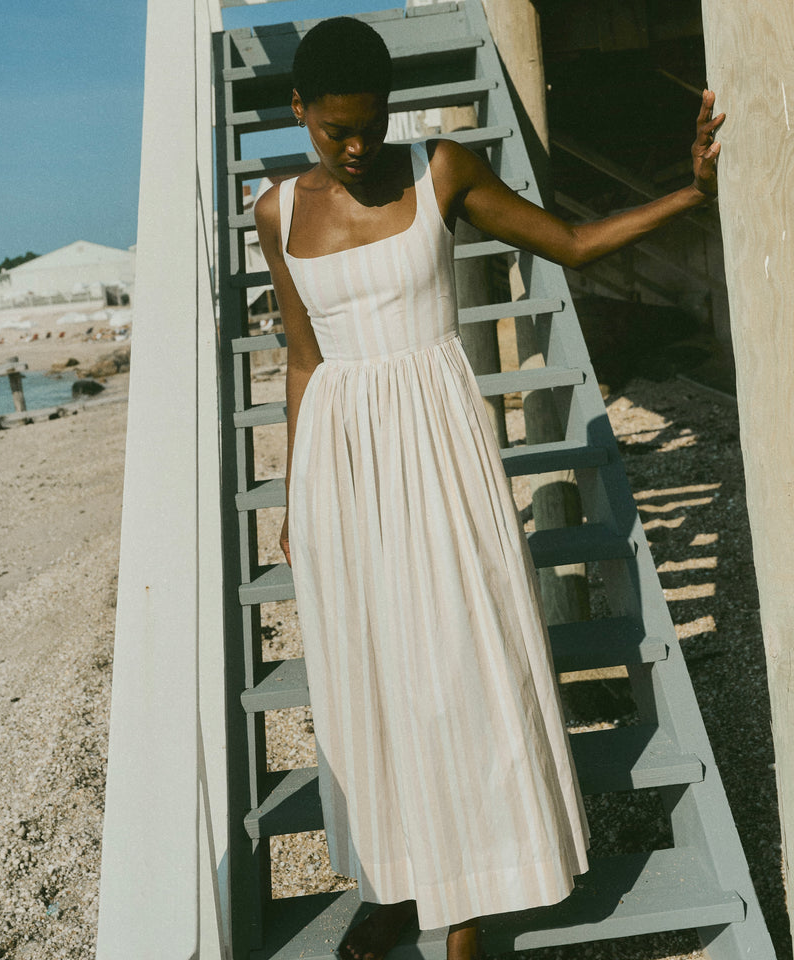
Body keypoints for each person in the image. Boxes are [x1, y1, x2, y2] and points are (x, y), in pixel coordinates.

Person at [254, 16, 723, 960]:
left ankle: (466, 906)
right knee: (371, 682)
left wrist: (689, 194)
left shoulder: (442, 170)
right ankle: (399, 879)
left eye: (370, 124)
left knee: (456, 673)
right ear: (298, 109)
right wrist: (298, 492)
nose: (354, 147)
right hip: (338, 464)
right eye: (333, 129)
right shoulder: (275, 212)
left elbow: (575, 244)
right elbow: (304, 361)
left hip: (437, 449)